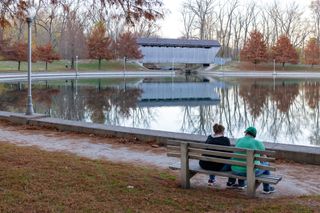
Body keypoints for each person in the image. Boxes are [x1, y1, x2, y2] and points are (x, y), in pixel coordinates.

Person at [230, 126, 276, 194]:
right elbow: (264, 157)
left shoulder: (239, 140)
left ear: (246, 133)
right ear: (254, 135)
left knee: (242, 161)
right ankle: (267, 188)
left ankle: (241, 184)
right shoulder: (257, 143)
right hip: (249, 172)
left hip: (235, 170)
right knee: (266, 165)